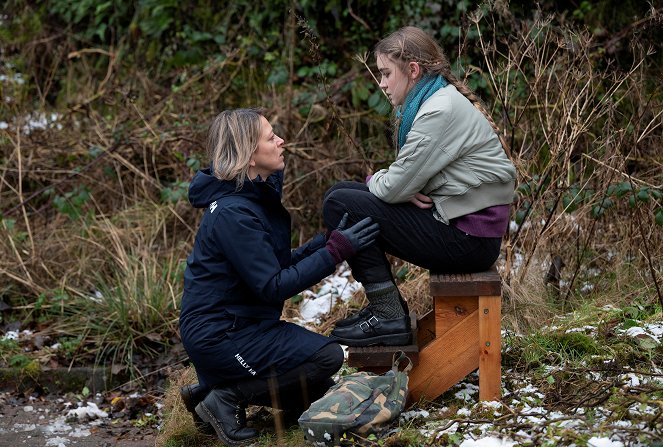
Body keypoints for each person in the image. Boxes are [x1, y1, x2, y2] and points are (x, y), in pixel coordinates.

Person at [178, 108, 380, 444]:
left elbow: (272, 264)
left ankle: (209, 389)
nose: (281, 141)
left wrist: (325, 243)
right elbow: (273, 286)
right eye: (270, 138)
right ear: (249, 154)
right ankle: (224, 398)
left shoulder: (245, 199)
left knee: (317, 390)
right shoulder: (232, 213)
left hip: (240, 327)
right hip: (222, 335)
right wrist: (335, 253)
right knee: (326, 357)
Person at [322, 26, 517, 347]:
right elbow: (401, 182)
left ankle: (387, 315)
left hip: (468, 240)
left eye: (386, 73)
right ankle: (385, 311)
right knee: (339, 195)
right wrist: (400, 186)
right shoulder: (437, 100)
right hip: (464, 228)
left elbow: (392, 187)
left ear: (413, 70)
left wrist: (383, 182)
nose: (381, 83)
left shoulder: (438, 111)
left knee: (340, 204)